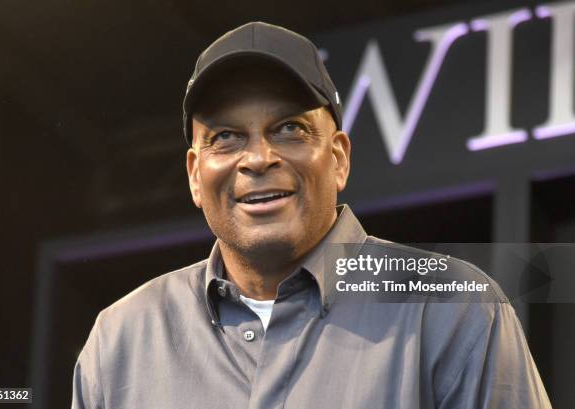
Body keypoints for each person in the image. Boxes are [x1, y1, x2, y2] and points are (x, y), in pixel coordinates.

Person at [71, 22, 551, 408]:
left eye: (289, 128)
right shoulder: (121, 340)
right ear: (196, 174)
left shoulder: (450, 309)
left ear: (339, 158)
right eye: (225, 136)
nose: (257, 158)